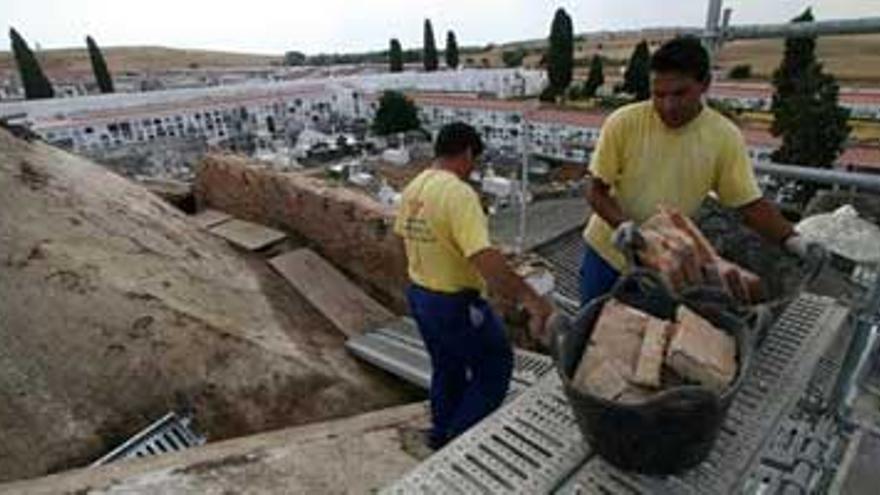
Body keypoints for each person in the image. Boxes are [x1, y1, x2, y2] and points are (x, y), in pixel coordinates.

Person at [580, 36, 822, 305]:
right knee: (590, 329)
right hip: (605, 253)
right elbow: (595, 188)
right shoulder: (623, 122)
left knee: (649, 335)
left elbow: (749, 205)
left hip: (666, 263)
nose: (668, 105)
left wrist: (794, 241)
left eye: (680, 94)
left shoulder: (723, 136)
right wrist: (623, 226)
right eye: (659, 94)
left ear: (705, 84)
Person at [394, 122, 553, 450]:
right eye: (474, 161)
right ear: (467, 152)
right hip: (455, 303)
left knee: (447, 368)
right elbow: (484, 256)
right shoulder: (459, 193)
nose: (473, 170)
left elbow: (402, 241)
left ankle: (439, 435)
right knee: (494, 367)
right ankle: (459, 441)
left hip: (420, 295)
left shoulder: (414, 188)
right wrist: (532, 300)